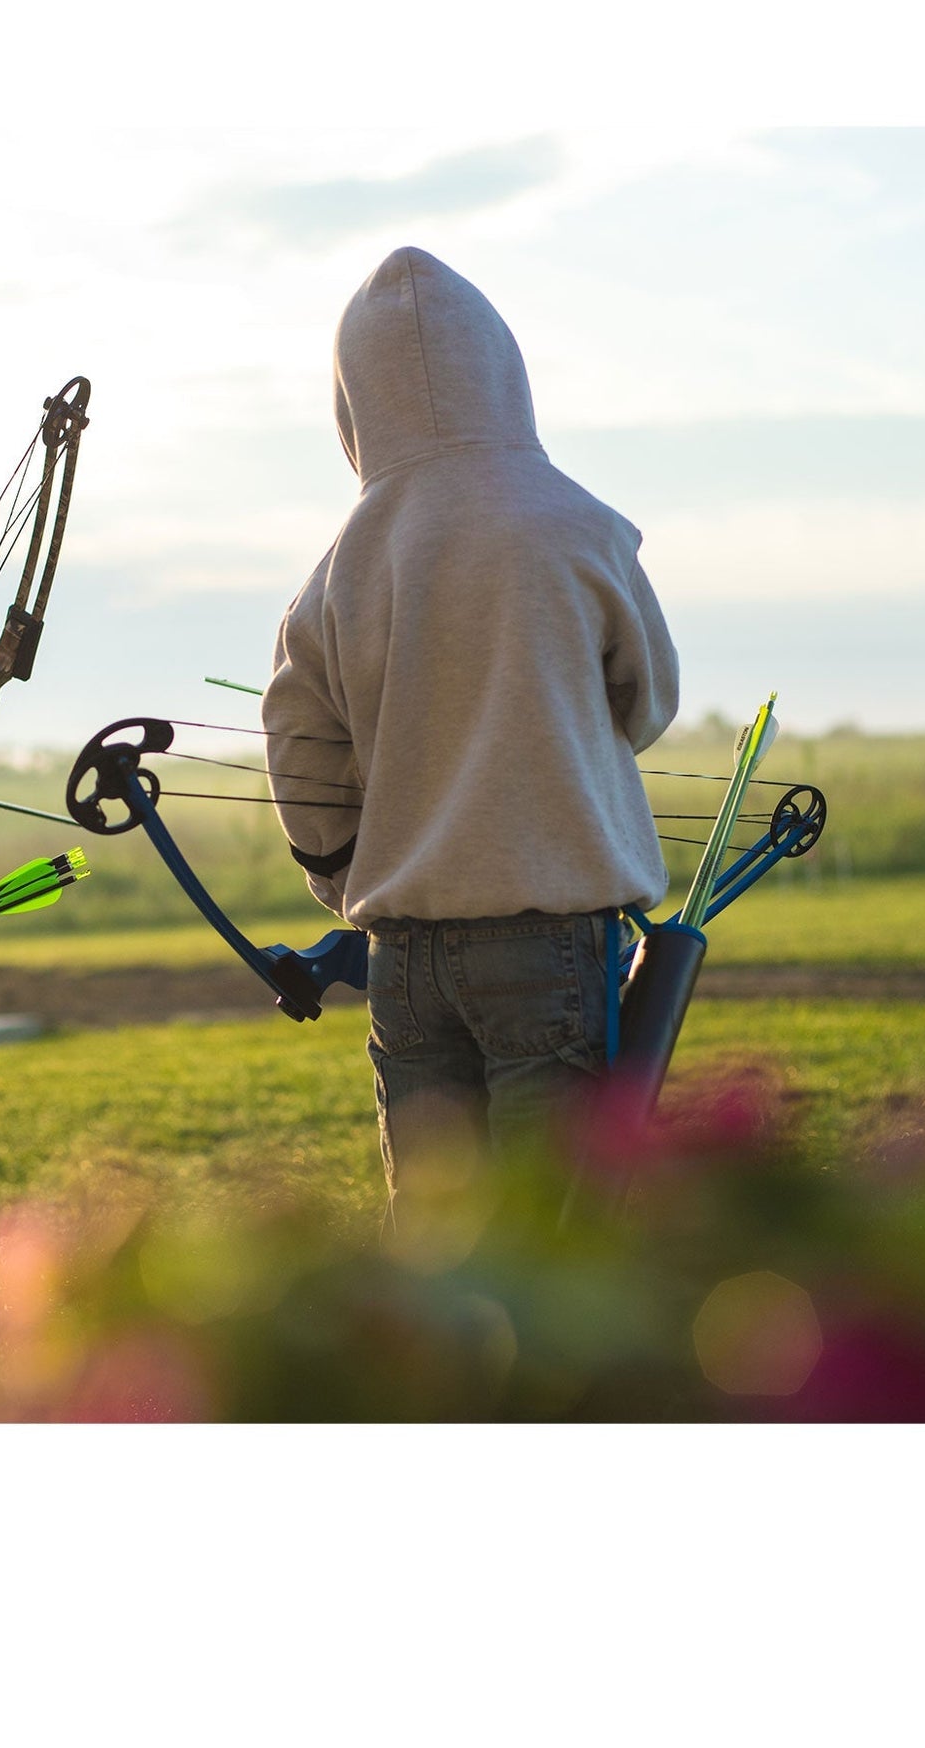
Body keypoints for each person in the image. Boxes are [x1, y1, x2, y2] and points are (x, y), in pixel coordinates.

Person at [263, 248, 679, 1215]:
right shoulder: (578, 525)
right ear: (504, 374)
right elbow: (648, 701)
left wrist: (341, 871)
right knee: (555, 1234)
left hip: (403, 955)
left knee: (441, 1247)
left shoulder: (338, 570)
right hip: (551, 946)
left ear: (353, 407)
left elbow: (298, 742)